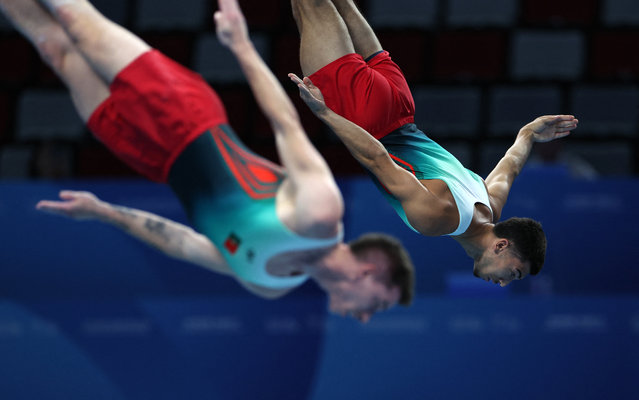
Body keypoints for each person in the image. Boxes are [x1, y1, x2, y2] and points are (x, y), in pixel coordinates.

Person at [0, 0, 415, 323]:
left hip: (154, 161)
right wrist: (241, 45)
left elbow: (183, 244)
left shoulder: (269, 284)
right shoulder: (321, 214)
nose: (362, 317)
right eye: (374, 305)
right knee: (76, 24)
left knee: (56, 52)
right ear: (369, 270)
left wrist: (105, 212)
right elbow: (284, 123)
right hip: (188, 116)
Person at [288, 0, 578, 287]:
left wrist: (528, 133)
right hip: (365, 117)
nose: (502, 283)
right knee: (312, 5)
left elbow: (510, 166)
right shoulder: (436, 218)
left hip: (400, 104)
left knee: (340, 5)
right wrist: (325, 113)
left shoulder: (490, 205)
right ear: (501, 246)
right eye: (513, 273)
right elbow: (377, 159)